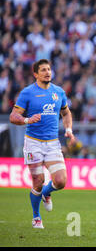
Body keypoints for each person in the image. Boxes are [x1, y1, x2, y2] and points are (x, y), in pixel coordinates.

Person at [9, 59, 77, 229]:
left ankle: (47, 194)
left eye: (49, 69)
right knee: (38, 181)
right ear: (35, 74)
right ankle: (36, 216)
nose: (47, 72)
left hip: (53, 143)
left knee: (61, 181)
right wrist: (27, 119)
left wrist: (68, 129)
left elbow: (66, 113)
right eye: (43, 70)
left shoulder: (59, 92)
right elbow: (13, 116)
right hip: (33, 143)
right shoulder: (27, 93)